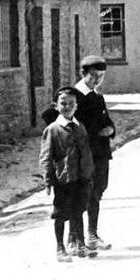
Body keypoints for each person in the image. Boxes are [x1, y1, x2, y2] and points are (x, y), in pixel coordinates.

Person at [40, 86, 96, 262]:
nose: (67, 106)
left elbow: (86, 152)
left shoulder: (80, 127)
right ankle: (60, 247)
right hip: (63, 178)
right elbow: (46, 156)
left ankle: (80, 244)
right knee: (61, 213)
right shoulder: (53, 129)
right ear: (56, 106)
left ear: (76, 106)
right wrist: (48, 180)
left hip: (81, 177)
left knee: (78, 210)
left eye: (71, 104)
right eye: (63, 103)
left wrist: (89, 173)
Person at [74, 55, 115, 251]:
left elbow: (107, 120)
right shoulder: (74, 97)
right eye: (93, 76)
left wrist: (110, 130)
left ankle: (91, 234)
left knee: (97, 191)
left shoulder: (97, 96)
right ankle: (77, 238)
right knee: (83, 194)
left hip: (100, 152)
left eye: (101, 76)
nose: (97, 80)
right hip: (84, 155)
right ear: (83, 74)